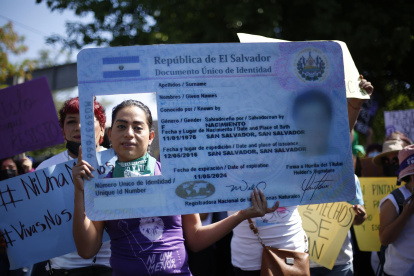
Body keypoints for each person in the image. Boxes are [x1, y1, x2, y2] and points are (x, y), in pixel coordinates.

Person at [72, 100, 279, 275]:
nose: (129, 133)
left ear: (151, 136)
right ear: (110, 134)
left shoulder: (175, 179)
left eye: (137, 127)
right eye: (121, 126)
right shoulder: (103, 186)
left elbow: (196, 239)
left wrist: (242, 214)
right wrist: (80, 192)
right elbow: (87, 249)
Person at [229, 77, 374, 275]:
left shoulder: (298, 163)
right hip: (267, 263)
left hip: (320, 262)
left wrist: (355, 104)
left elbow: (339, 138)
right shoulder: (235, 171)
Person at [35, 97, 112, 276]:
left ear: (102, 129)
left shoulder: (118, 163)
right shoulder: (45, 170)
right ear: (63, 131)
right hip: (63, 269)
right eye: (71, 122)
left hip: (113, 266)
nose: (78, 127)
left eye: (86, 120)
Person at [379, 145, 414, 276]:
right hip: (399, 272)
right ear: (411, 175)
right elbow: (384, 239)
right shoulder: (393, 200)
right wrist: (406, 214)